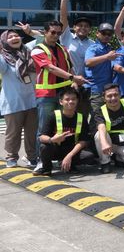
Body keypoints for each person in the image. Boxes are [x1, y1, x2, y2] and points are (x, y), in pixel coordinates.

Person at [31, 20, 87, 164]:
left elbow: (70, 67)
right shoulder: (38, 50)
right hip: (46, 95)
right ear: (45, 32)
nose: (56, 35)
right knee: (43, 130)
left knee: (63, 128)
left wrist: (74, 82)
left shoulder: (63, 49)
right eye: (53, 32)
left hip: (63, 95)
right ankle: (41, 161)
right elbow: (51, 68)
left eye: (59, 33)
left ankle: (64, 158)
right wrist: (73, 78)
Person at [34, 86, 95, 176]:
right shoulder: (52, 116)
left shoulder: (81, 118)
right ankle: (46, 168)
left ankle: (70, 165)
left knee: (89, 156)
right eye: (67, 99)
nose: (70, 101)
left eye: (73, 99)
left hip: (72, 150)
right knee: (44, 147)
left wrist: (69, 155)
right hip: (55, 149)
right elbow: (42, 137)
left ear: (77, 101)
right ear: (61, 102)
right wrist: (52, 140)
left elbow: (83, 141)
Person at [0, 29, 38, 168]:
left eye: (16, 35)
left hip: (32, 100)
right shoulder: (3, 57)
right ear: (4, 41)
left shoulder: (28, 51)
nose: (14, 38)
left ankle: (32, 157)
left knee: (32, 132)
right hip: (13, 102)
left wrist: (31, 32)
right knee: (13, 133)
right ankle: (11, 157)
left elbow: (42, 39)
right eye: (10, 37)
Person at [93, 83, 124, 173]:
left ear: (120, 95)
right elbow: (101, 126)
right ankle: (105, 162)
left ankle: (116, 157)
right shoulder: (100, 110)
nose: (113, 98)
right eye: (109, 96)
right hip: (108, 144)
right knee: (99, 135)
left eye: (116, 95)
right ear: (104, 98)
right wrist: (104, 144)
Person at [84, 23, 118, 114]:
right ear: (97, 33)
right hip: (96, 90)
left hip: (108, 89)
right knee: (96, 117)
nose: (106, 36)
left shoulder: (109, 48)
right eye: (103, 33)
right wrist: (107, 56)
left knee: (107, 117)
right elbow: (88, 62)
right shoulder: (93, 48)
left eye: (109, 34)